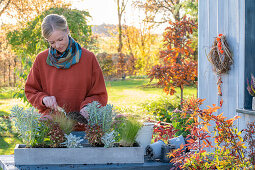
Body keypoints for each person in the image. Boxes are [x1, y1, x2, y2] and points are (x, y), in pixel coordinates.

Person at [25, 14, 108, 129]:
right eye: (52, 42)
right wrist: (43, 99)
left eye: (60, 39)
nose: (57, 45)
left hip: (83, 129)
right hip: (52, 129)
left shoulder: (88, 58)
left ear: (67, 30)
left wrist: (88, 107)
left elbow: (99, 94)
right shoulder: (41, 60)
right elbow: (31, 90)